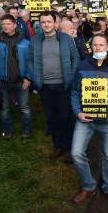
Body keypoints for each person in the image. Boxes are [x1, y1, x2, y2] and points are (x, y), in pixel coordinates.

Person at [70, 34, 108, 205]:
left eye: (101, 45)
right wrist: (78, 112)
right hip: (85, 120)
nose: (98, 48)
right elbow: (74, 91)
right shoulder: (82, 65)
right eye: (95, 45)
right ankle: (88, 185)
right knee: (76, 153)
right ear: (91, 47)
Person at [27, 11, 80, 162]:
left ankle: (70, 148)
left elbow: (75, 57)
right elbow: (30, 60)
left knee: (66, 117)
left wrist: (70, 76)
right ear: (40, 23)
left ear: (55, 23)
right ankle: (59, 146)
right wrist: (35, 77)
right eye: (43, 22)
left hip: (63, 85)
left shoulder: (65, 39)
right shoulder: (35, 40)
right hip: (45, 86)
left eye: (49, 21)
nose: (46, 24)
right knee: (52, 118)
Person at [0, 14, 32, 139]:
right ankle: (7, 131)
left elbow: (31, 61)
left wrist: (28, 77)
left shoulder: (25, 42)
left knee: (24, 108)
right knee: (4, 109)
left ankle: (26, 131)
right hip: (3, 82)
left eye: (8, 24)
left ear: (15, 25)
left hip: (21, 81)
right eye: (3, 24)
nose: (5, 26)